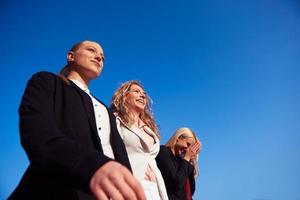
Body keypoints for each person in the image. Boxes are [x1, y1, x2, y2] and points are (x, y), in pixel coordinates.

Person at [8, 40, 146, 200]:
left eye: (102, 56)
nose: (99, 57)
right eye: (91, 50)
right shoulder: (46, 82)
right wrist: (91, 165)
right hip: (54, 191)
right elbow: (38, 135)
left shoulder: (106, 111)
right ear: (70, 56)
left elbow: (120, 156)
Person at [110, 80, 168, 200]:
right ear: (124, 96)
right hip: (130, 183)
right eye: (136, 91)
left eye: (144, 93)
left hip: (156, 187)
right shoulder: (115, 121)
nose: (142, 95)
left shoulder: (148, 128)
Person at [156, 127, 202, 200]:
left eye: (191, 148)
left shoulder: (182, 161)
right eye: (188, 144)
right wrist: (186, 159)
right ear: (178, 138)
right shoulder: (163, 152)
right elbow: (176, 183)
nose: (188, 150)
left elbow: (191, 191)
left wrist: (190, 162)